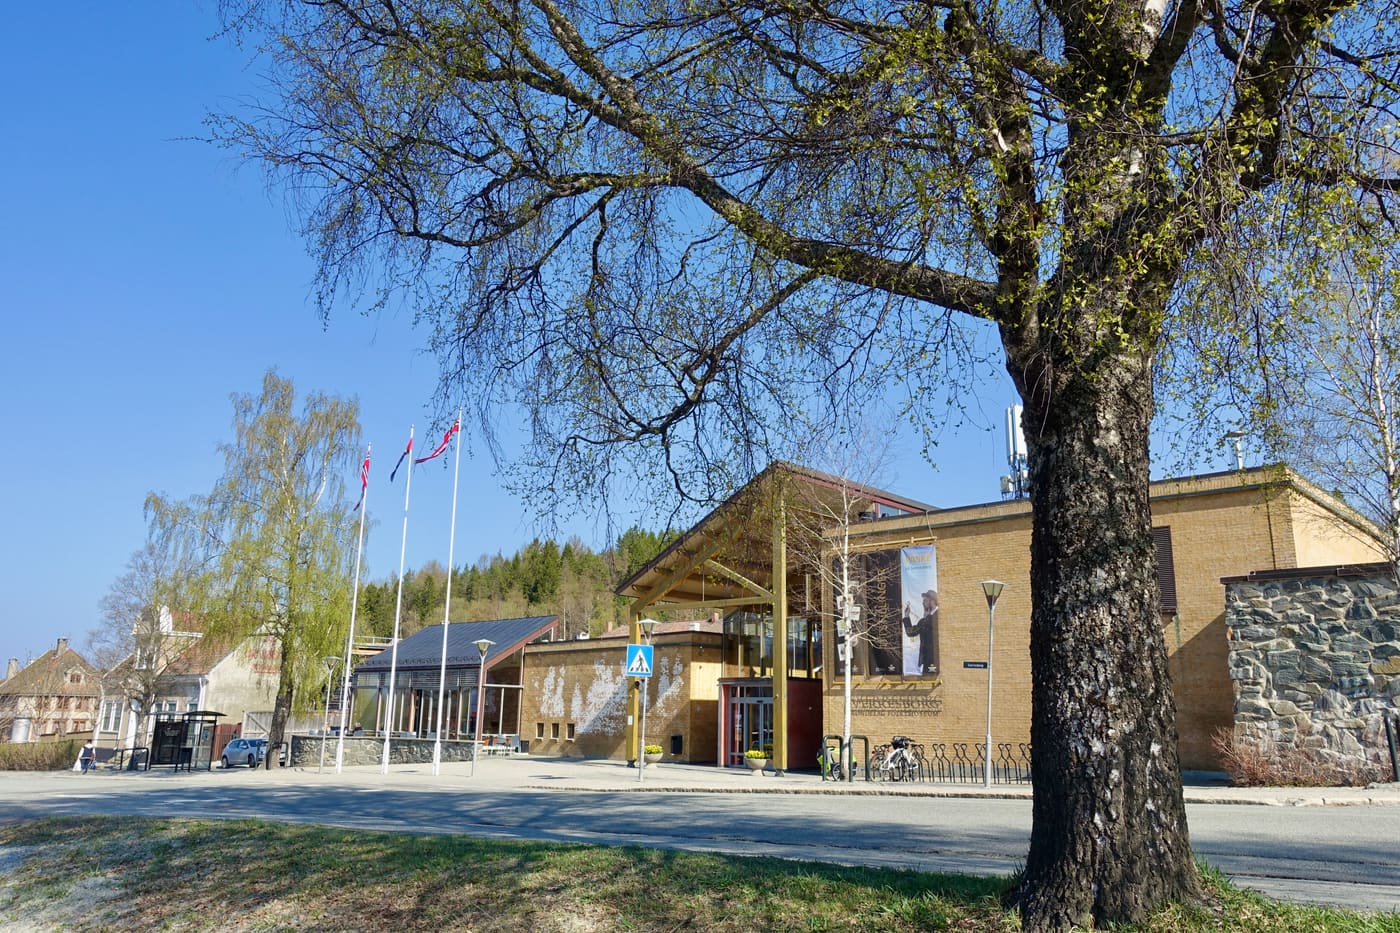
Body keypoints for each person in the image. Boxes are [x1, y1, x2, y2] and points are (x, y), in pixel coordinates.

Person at [902, 589, 940, 675]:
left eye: (925, 600)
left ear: (933, 601)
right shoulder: (924, 620)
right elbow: (910, 632)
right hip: (926, 662)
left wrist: (927, 618)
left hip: (939, 662)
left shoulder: (939, 616)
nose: (923, 603)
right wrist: (907, 616)